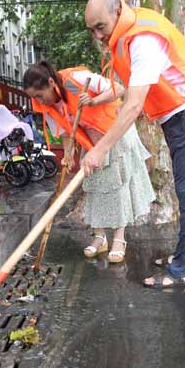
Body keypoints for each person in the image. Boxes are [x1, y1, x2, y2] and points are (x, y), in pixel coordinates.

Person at [82, 0, 185, 288]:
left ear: (118, 10)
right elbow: (124, 87)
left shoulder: (142, 39)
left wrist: (99, 149)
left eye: (100, 26)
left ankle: (184, 269)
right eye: (91, 29)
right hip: (178, 113)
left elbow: (132, 105)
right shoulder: (128, 31)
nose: (97, 35)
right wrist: (96, 102)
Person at [23, 61, 155, 263]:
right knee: (93, 188)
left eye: (39, 95)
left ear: (51, 82)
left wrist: (94, 101)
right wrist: (68, 155)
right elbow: (66, 132)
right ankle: (99, 237)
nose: (39, 101)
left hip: (115, 133)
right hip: (92, 143)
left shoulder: (75, 81)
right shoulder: (48, 106)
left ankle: (119, 239)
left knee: (118, 188)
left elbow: (118, 89)